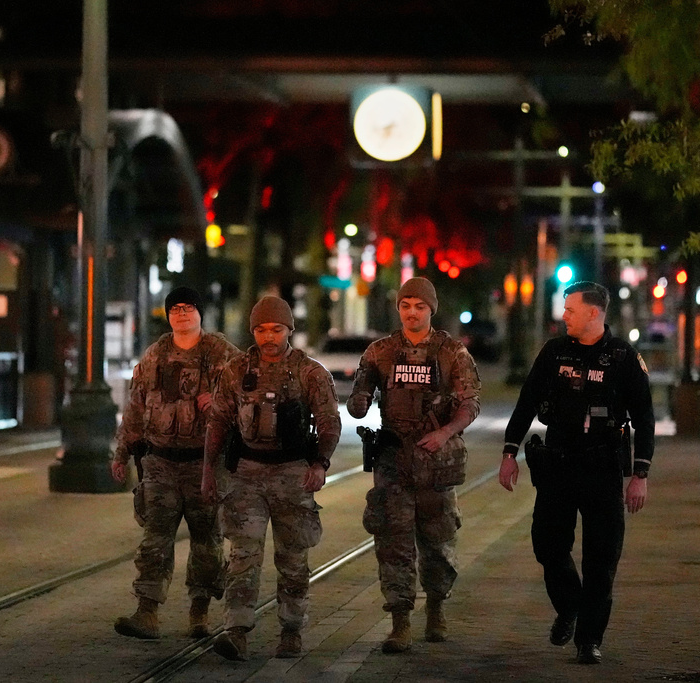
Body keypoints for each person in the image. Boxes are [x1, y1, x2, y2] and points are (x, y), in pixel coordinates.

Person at [498, 280, 655, 665]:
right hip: (559, 465)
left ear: (593, 313)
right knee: (548, 546)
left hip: (603, 470)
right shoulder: (554, 353)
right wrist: (509, 451)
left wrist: (640, 475)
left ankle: (589, 640)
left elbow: (645, 419)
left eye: (570, 309)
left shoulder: (622, 358)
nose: (563, 315)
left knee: (601, 560)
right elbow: (527, 403)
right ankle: (569, 606)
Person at [201, 295, 341, 661]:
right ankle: (236, 629)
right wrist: (208, 471)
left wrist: (320, 465)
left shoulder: (310, 373)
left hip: (293, 473)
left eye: (276, 329)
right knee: (243, 553)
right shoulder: (235, 371)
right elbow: (218, 422)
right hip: (246, 473)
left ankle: (291, 629)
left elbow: (329, 423)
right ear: (252, 331)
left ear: (289, 331)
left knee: (292, 558)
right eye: (261, 330)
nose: (268, 336)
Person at [346, 277, 481, 653]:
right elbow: (360, 393)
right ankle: (400, 620)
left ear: (431, 310)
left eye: (419, 306)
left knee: (438, 543)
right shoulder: (380, 352)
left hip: (436, 464)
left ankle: (436, 606)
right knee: (393, 543)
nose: (411, 312)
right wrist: (358, 402)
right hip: (393, 461)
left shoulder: (452, 353)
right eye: (405, 305)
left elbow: (470, 403)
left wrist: (446, 432)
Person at [111, 286, 240, 640]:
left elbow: (247, 394)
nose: (182, 314)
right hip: (161, 462)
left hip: (205, 464)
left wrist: (216, 403)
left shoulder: (222, 354)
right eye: (175, 309)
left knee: (207, 544)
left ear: (200, 313)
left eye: (189, 308)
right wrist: (121, 453)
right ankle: (146, 612)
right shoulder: (155, 356)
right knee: (155, 540)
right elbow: (135, 408)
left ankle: (200, 612)